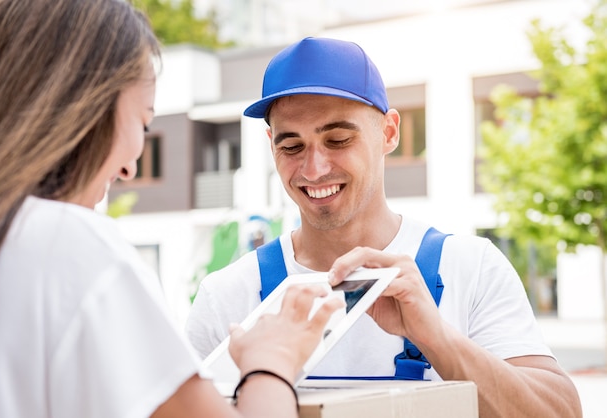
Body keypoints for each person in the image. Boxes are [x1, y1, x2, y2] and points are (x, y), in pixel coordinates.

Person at [185, 37, 582, 417]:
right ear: (271, 144)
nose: (314, 168)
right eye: (291, 146)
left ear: (389, 132)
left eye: (338, 139)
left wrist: (438, 338)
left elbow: (560, 414)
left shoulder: (471, 268)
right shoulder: (227, 298)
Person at [0, 2, 343, 418]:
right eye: (142, 122)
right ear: (83, 108)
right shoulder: (64, 244)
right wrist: (272, 365)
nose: (130, 167)